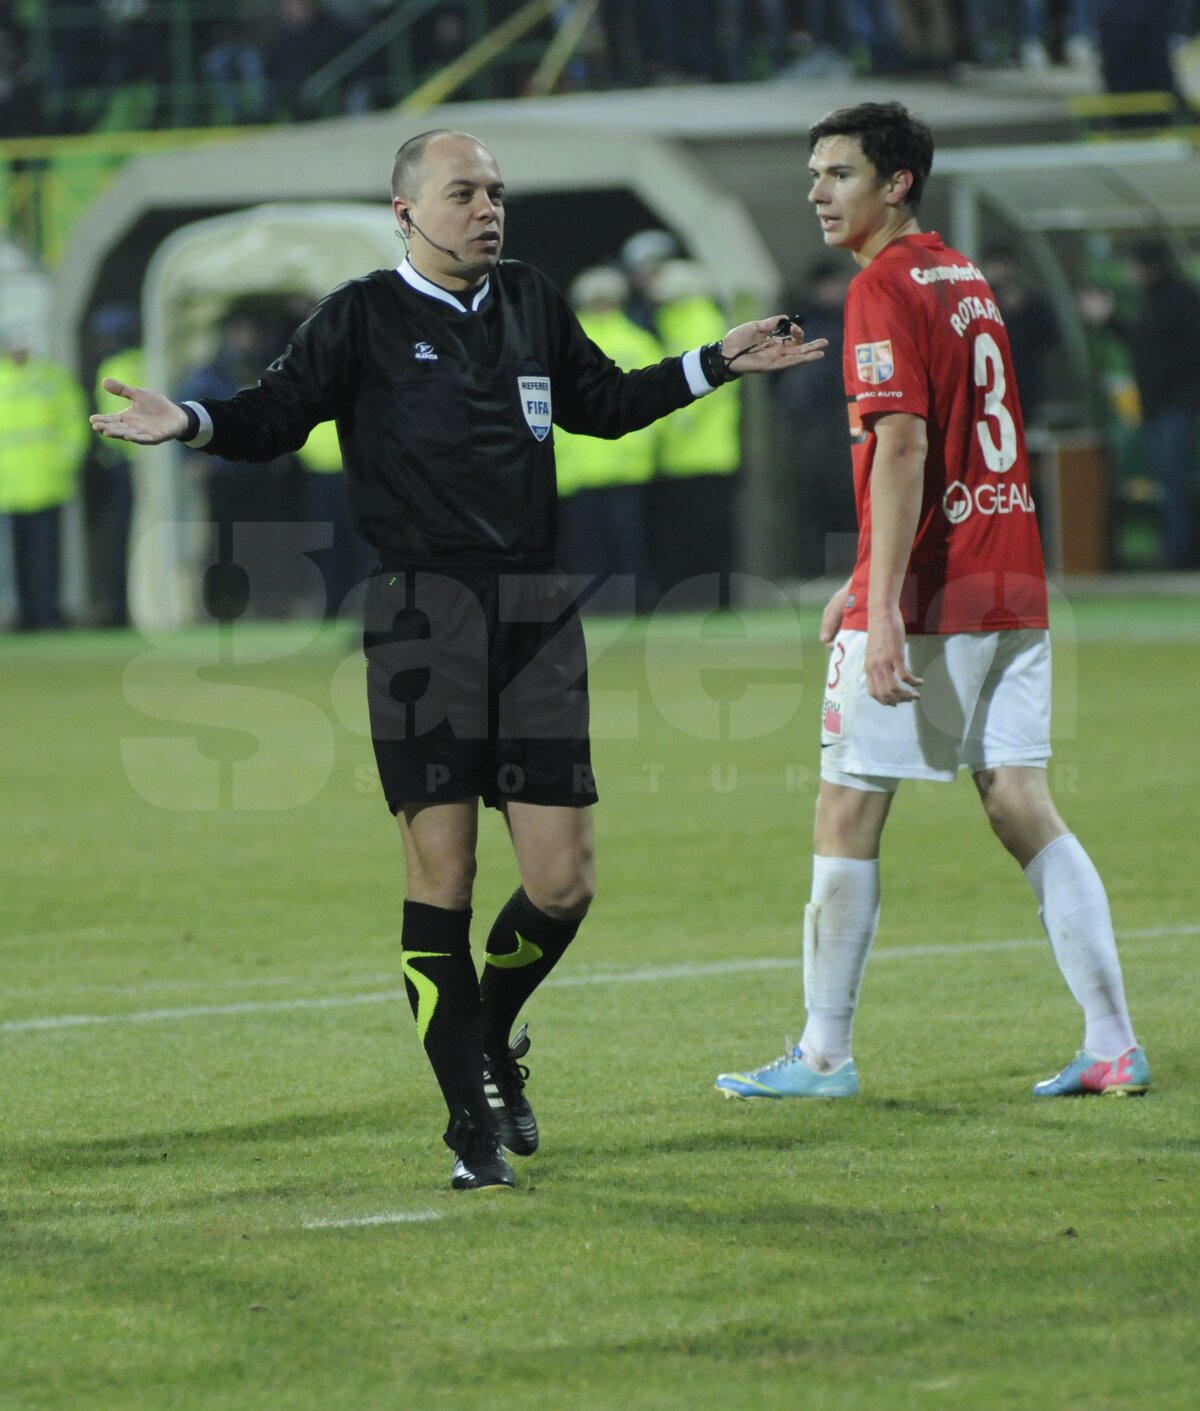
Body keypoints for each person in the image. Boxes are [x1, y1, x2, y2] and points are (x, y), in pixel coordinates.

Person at [90, 128, 827, 1191]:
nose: (487, 209)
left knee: (562, 881)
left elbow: (605, 406)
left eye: (495, 192)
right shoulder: (360, 317)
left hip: (535, 614)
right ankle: (468, 1124)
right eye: (463, 192)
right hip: (419, 621)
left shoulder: (528, 297)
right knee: (444, 875)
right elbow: (272, 418)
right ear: (404, 212)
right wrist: (191, 419)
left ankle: (489, 1032)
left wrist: (715, 361)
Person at [715, 101, 1148, 1104]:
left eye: (838, 174)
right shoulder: (964, 275)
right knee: (1019, 799)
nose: (817, 192)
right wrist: (865, 577)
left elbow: (904, 445)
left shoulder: (881, 286)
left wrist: (887, 601)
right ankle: (1113, 1041)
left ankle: (824, 1054)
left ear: (896, 182)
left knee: (847, 801)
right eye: (814, 173)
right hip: (1011, 574)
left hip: (940, 589)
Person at [1078, 242, 1200, 570]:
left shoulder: (1181, 299)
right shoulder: (1155, 301)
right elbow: (1142, 343)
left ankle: (1180, 554)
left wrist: (1161, 377)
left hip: (1178, 406)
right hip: (1160, 408)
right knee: (1168, 478)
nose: (1131, 275)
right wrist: (1109, 321)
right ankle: (1175, 549)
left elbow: (1174, 353)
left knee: (1174, 479)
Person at [553, 265, 663, 611]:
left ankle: (623, 605)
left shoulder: (566, 345)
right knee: (597, 546)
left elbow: (654, 400)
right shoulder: (636, 342)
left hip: (611, 466)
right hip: (592, 467)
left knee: (619, 544)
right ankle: (602, 606)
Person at [648, 257, 742, 610]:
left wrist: (661, 421)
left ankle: (712, 602)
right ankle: (702, 601)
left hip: (703, 453)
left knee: (704, 535)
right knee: (693, 535)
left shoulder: (702, 323)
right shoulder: (681, 322)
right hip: (689, 455)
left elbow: (700, 386)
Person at [0, 329, 87, 631]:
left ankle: (48, 613)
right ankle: (26, 616)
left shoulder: (52, 379)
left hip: (48, 482)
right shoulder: (3, 380)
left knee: (47, 556)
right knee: (19, 559)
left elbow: (74, 424)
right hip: (11, 489)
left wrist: (62, 463)